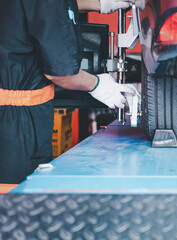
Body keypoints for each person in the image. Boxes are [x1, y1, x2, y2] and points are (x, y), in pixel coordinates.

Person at [0, 0, 133, 183]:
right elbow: (62, 74)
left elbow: (37, 9)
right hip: (16, 125)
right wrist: (98, 85)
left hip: (14, 117)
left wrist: (100, 4)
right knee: (15, 194)